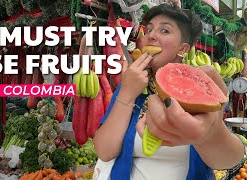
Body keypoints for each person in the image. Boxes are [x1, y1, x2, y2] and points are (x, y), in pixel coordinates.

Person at [92, 3, 245, 180]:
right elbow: (104, 151)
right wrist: (126, 93)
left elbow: (227, 161)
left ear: (183, 49)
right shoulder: (131, 86)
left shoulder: (198, 87)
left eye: (164, 31)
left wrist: (211, 133)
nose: (151, 36)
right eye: (148, 30)